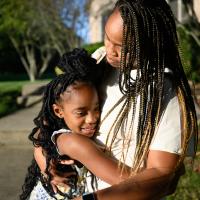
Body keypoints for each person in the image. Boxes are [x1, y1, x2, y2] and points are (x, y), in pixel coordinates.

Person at [32, 0, 198, 199]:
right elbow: (48, 121)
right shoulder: (98, 64)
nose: (110, 50)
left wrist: (92, 197)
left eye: (122, 47)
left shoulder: (165, 91)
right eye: (107, 38)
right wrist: (46, 159)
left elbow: (163, 177)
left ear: (151, 45)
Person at [20, 48, 132, 200]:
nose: (92, 119)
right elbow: (132, 184)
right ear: (58, 111)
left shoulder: (57, 134)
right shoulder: (73, 142)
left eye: (97, 108)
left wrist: (43, 161)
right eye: (81, 112)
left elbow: (41, 132)